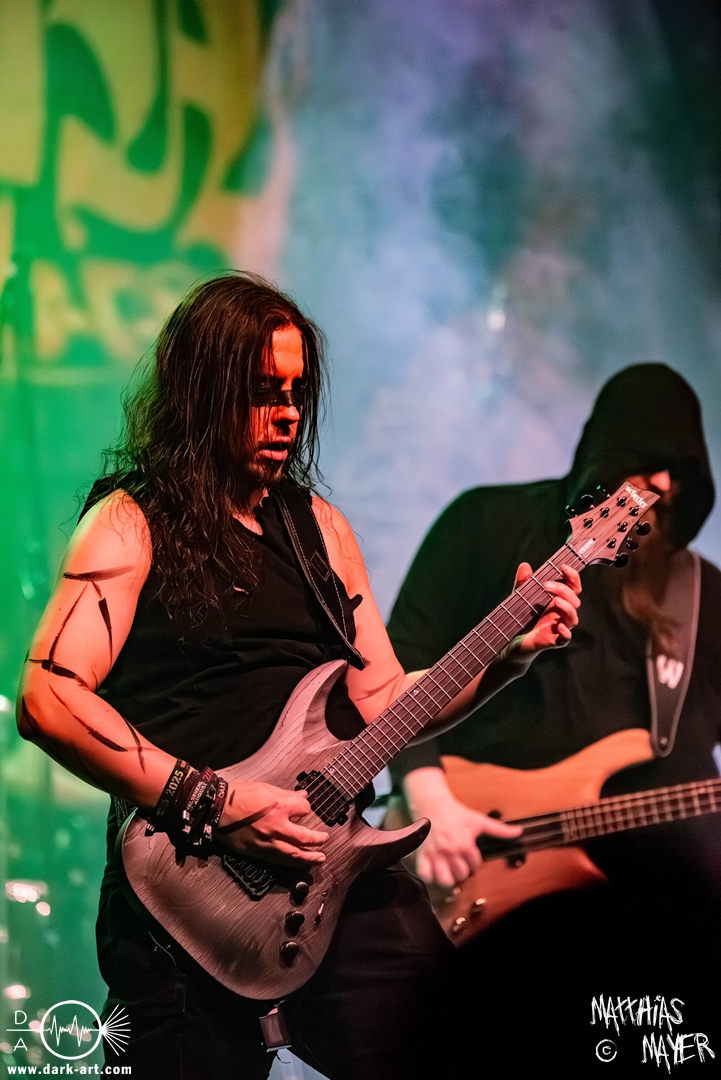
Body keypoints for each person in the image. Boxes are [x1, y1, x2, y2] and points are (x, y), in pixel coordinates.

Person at [17, 273, 580, 1080]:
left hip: (332, 873)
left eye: (295, 391)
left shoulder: (320, 530)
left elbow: (384, 703)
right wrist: (219, 803)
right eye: (260, 392)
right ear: (202, 394)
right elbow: (48, 696)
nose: (286, 413)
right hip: (187, 895)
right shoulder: (129, 524)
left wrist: (509, 656)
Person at [387, 363, 721, 1070]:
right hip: (474, 881)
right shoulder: (486, 523)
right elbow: (396, 669)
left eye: (682, 471)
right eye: (648, 460)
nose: (664, 483)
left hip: (645, 930)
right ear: (605, 451)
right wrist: (427, 796)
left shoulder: (705, 598)